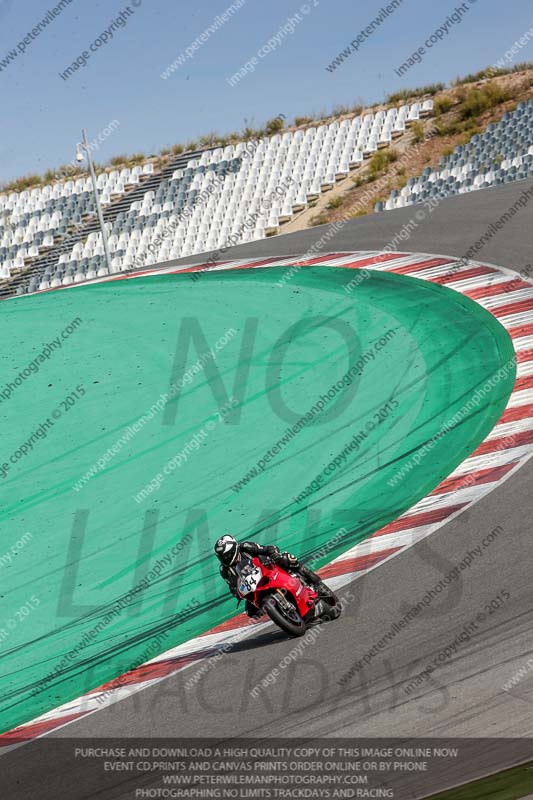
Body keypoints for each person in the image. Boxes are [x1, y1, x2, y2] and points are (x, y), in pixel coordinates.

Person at [213, 534, 339, 618]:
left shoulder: (246, 547)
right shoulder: (224, 570)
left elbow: (268, 548)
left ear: (235, 548)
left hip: (268, 568)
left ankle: (316, 582)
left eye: (227, 555)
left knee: (287, 558)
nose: (225, 558)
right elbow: (233, 587)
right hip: (254, 585)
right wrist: (237, 593)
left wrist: (274, 554)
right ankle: (283, 613)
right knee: (250, 612)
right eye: (222, 556)